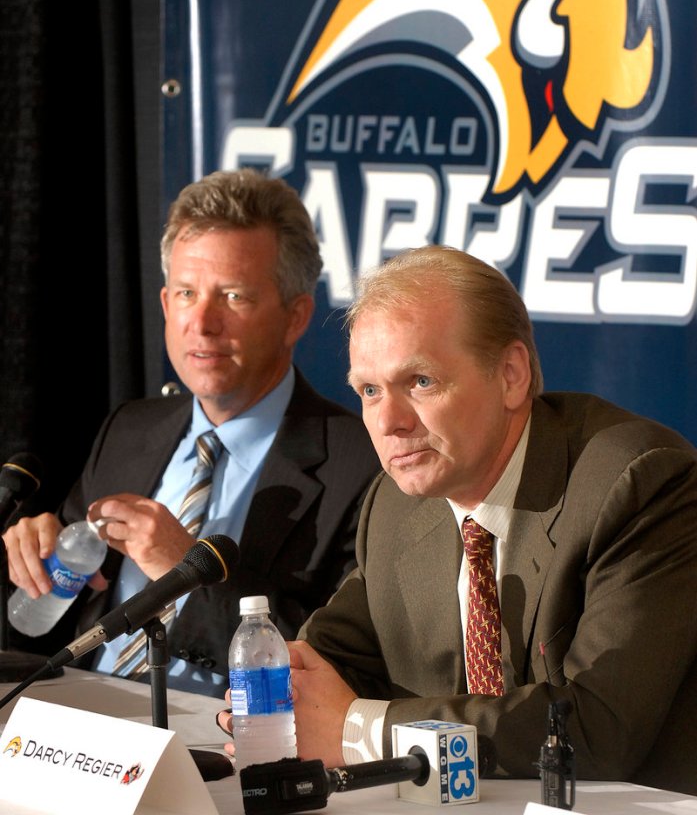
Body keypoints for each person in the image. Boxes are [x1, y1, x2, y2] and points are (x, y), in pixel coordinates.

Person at [219, 244, 697, 793]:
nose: (390, 422)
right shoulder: (397, 502)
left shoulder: (636, 482)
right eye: (370, 391)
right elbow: (329, 660)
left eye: (420, 381)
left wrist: (358, 728)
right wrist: (278, 696)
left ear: (511, 375)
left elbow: (596, 730)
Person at [3, 168, 379, 694]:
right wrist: (30, 563)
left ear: (295, 317)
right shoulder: (129, 430)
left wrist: (182, 577)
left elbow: (339, 665)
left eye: (234, 297)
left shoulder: (360, 463)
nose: (201, 322)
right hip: (81, 720)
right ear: (164, 304)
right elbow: (49, 619)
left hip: (230, 745)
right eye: (185, 293)